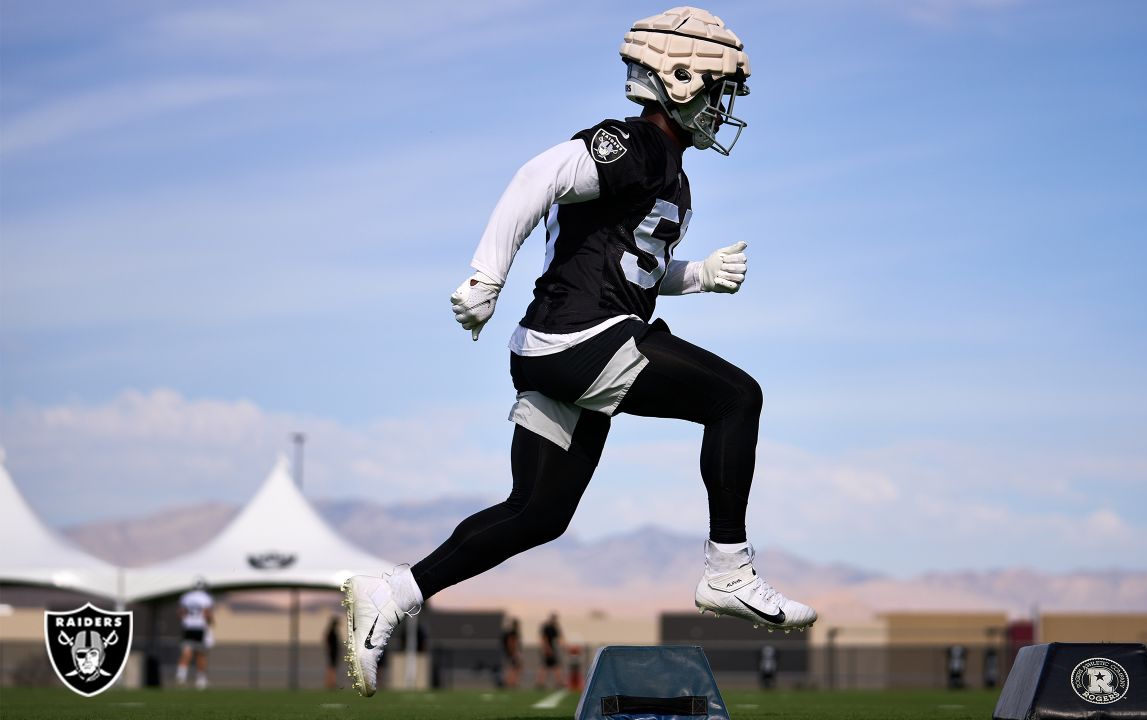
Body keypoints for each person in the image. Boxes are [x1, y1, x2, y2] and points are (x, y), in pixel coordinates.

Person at [340, 6, 816, 698]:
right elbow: (536, 177)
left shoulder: (673, 174)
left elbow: (632, 270)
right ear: (680, 79)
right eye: (718, 90)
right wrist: (486, 275)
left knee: (537, 513)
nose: (723, 107)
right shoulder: (634, 144)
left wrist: (698, 276)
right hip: (581, 340)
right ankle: (728, 569)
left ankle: (394, 592)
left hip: (557, 346)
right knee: (736, 397)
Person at [175, 578, 214, 690]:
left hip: (188, 627)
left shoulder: (186, 597)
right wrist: (211, 623)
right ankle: (201, 680)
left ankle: (181, 675)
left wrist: (185, 622)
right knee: (200, 654)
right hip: (199, 627)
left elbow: (180, 613)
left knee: (186, 652)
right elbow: (207, 614)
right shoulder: (206, 598)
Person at [535, 613, 565, 689]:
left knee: (550, 666)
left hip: (550, 649)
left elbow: (559, 639)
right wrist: (547, 649)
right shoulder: (547, 627)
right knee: (550, 666)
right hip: (548, 649)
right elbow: (544, 639)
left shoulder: (553, 628)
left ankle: (541, 683)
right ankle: (541, 683)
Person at [501, 618, 522, 689]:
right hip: (512, 652)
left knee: (514, 667)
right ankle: (511, 683)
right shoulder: (513, 632)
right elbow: (510, 642)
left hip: (510, 652)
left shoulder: (511, 631)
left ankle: (511, 682)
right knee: (514, 668)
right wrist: (513, 652)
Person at [324, 613, 341, 690]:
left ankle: (331, 682)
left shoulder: (332, 631)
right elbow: (328, 641)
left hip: (333, 652)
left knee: (332, 667)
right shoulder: (332, 631)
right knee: (332, 667)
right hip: (333, 652)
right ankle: (330, 683)